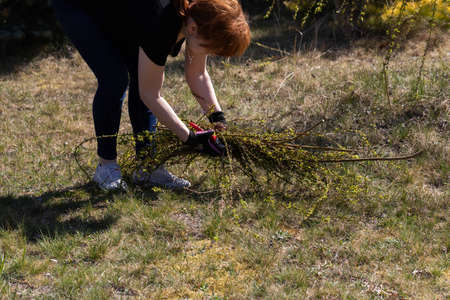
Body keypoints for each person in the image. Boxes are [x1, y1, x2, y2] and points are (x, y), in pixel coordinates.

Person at [51, 0, 251, 190]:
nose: (212, 55)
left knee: (142, 76)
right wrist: (190, 139)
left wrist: (218, 119)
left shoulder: (200, 17)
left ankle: (147, 167)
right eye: (212, 50)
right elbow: (150, 94)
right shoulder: (162, 23)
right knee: (114, 80)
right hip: (80, 7)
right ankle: (106, 167)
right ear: (192, 29)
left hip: (126, 12)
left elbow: (197, 74)